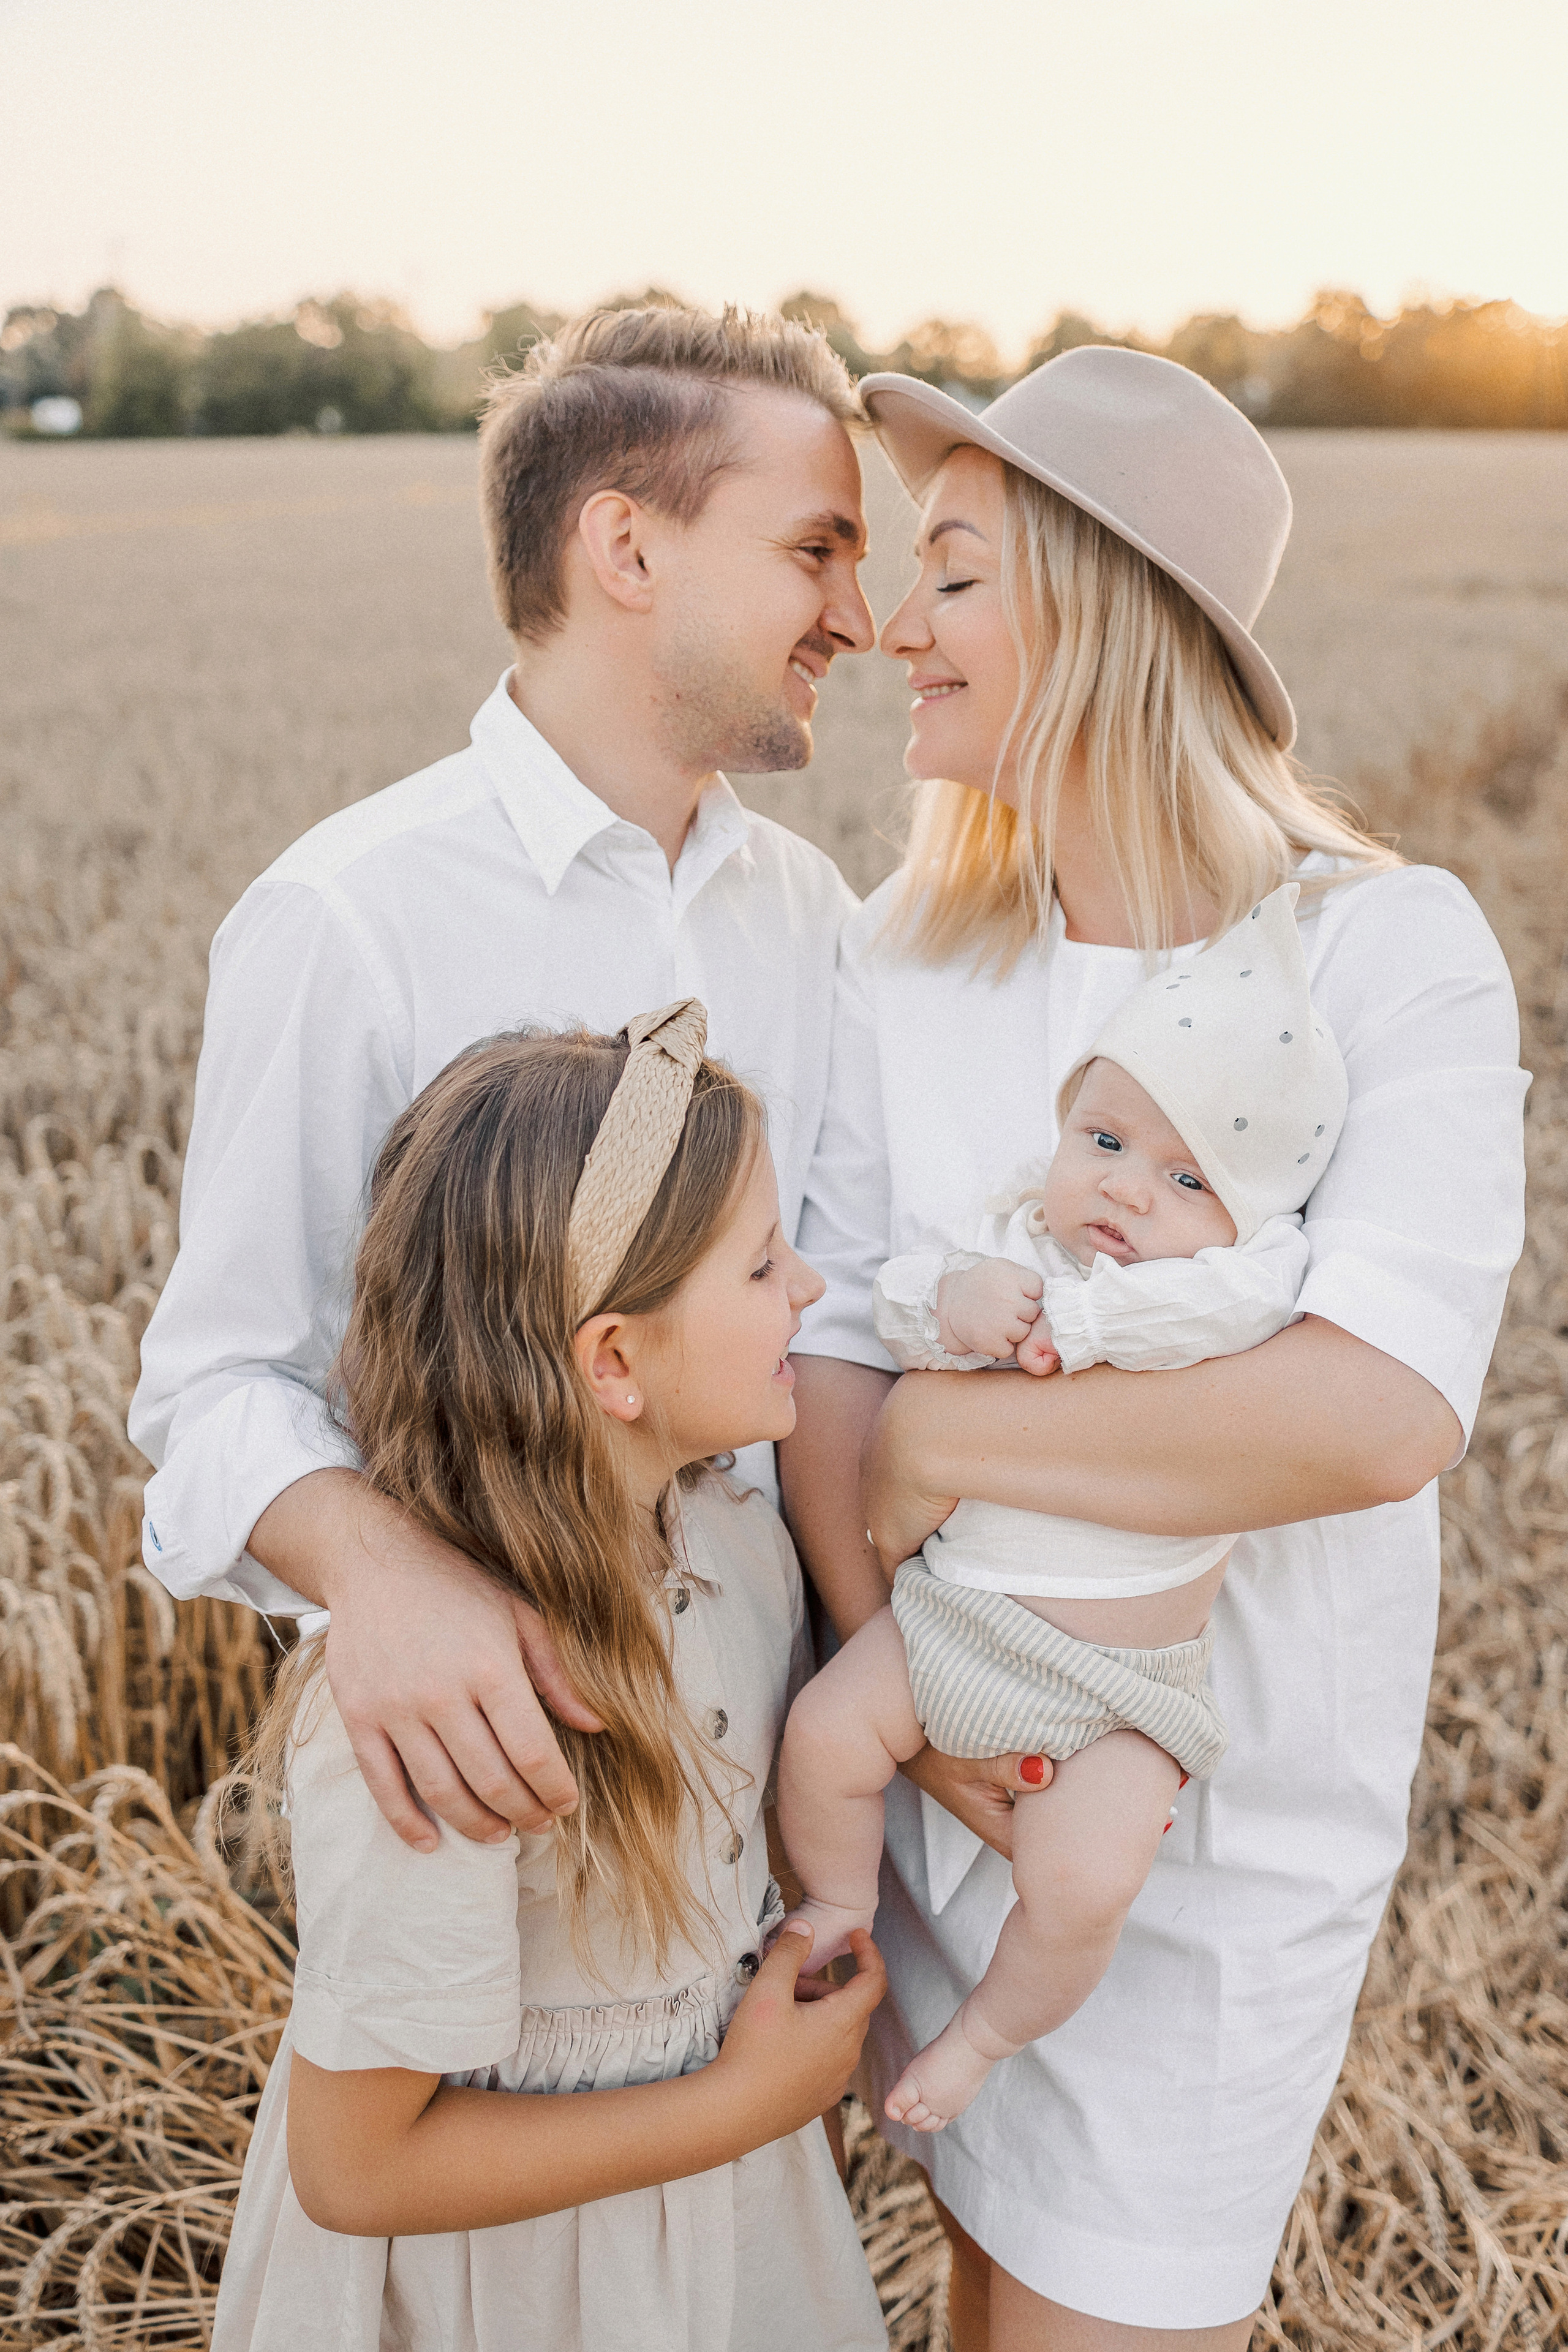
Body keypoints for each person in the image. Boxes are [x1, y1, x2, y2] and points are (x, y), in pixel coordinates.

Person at [780, 345, 1528, 2346]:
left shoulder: (1389, 949)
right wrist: (930, 1719)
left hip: (1201, 1850)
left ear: (1103, 608)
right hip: (942, 1799)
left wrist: (948, 1446)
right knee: (985, 2297)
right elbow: (835, 1379)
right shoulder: (893, 957)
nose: (889, 622)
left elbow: (1374, 1411)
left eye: (954, 570)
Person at [129, 303, 880, 1858]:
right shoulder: (349, 915)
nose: (858, 618)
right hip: (491, 1793)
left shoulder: (810, 914)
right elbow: (213, 1397)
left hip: (770, 1784)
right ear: (626, 548)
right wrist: (380, 1569)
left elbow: (846, 1319)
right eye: (816, 551)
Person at [213, 1006, 889, 2352]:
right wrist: (753, 2103)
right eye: (762, 1267)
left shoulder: (737, 1549)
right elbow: (357, 2170)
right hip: (511, 2293)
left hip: (722, 2246)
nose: (809, 1291)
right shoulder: (443, 1709)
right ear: (614, 1361)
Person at [777, 884, 1345, 2135]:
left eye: (1183, 1175)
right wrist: (954, 1300)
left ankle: (981, 2037)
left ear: (1242, 1216)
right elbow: (898, 1295)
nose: (1124, 1192)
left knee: (1084, 1883)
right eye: (1099, 1142)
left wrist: (1074, 1323)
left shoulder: (1234, 1290)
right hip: (947, 1623)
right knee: (823, 1739)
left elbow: (1216, 1315)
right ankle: (833, 1908)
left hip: (1120, 1688)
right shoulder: (1014, 1238)